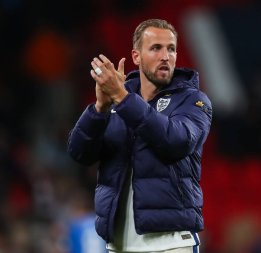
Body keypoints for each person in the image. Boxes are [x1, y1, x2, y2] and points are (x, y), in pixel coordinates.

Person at [67, 19, 212, 253]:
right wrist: (99, 109)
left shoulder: (193, 101)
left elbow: (176, 141)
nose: (166, 56)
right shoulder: (117, 102)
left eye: (171, 49)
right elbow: (79, 153)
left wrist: (122, 98)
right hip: (119, 244)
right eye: (156, 48)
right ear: (136, 56)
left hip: (170, 244)